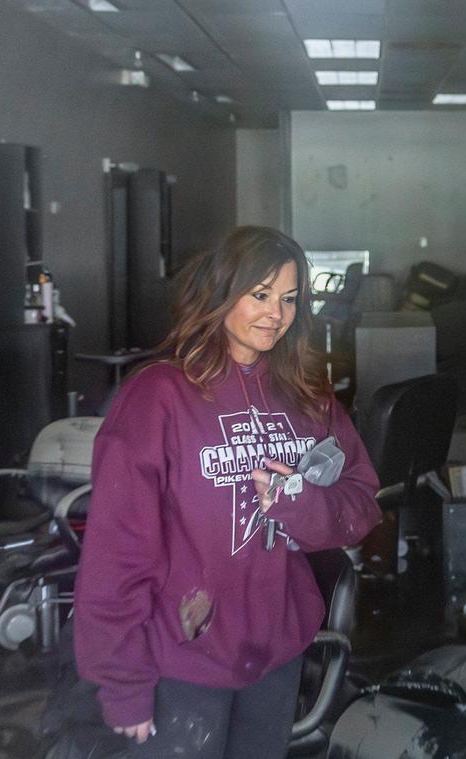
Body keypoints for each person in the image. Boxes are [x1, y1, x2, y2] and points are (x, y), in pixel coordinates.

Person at [73, 226, 382, 757]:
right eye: (259, 294)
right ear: (221, 294)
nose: (275, 315)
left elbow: (360, 503)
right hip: (181, 656)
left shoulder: (306, 395)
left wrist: (303, 504)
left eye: (289, 299)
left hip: (277, 652)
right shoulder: (159, 396)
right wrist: (123, 682)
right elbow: (117, 549)